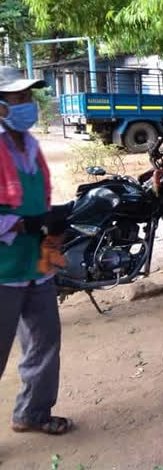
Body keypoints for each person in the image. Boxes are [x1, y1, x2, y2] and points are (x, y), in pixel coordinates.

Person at [0, 66, 73, 435]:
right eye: (18, 99)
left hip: (36, 263)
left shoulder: (29, 144)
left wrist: (51, 218)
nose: (27, 104)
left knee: (45, 342)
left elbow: (35, 197)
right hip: (4, 268)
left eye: (28, 97)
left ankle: (33, 412)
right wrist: (21, 224)